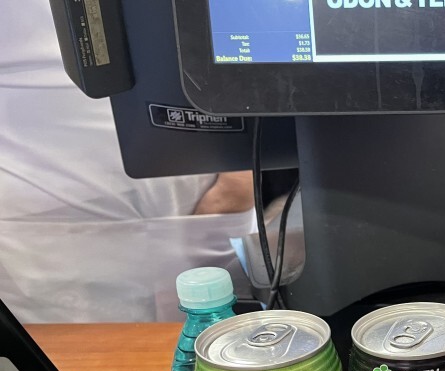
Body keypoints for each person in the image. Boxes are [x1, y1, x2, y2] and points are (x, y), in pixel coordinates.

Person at [0, 1, 256, 323]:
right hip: (41, 216)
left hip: (205, 199)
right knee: (74, 350)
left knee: (216, 339)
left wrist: (238, 184)